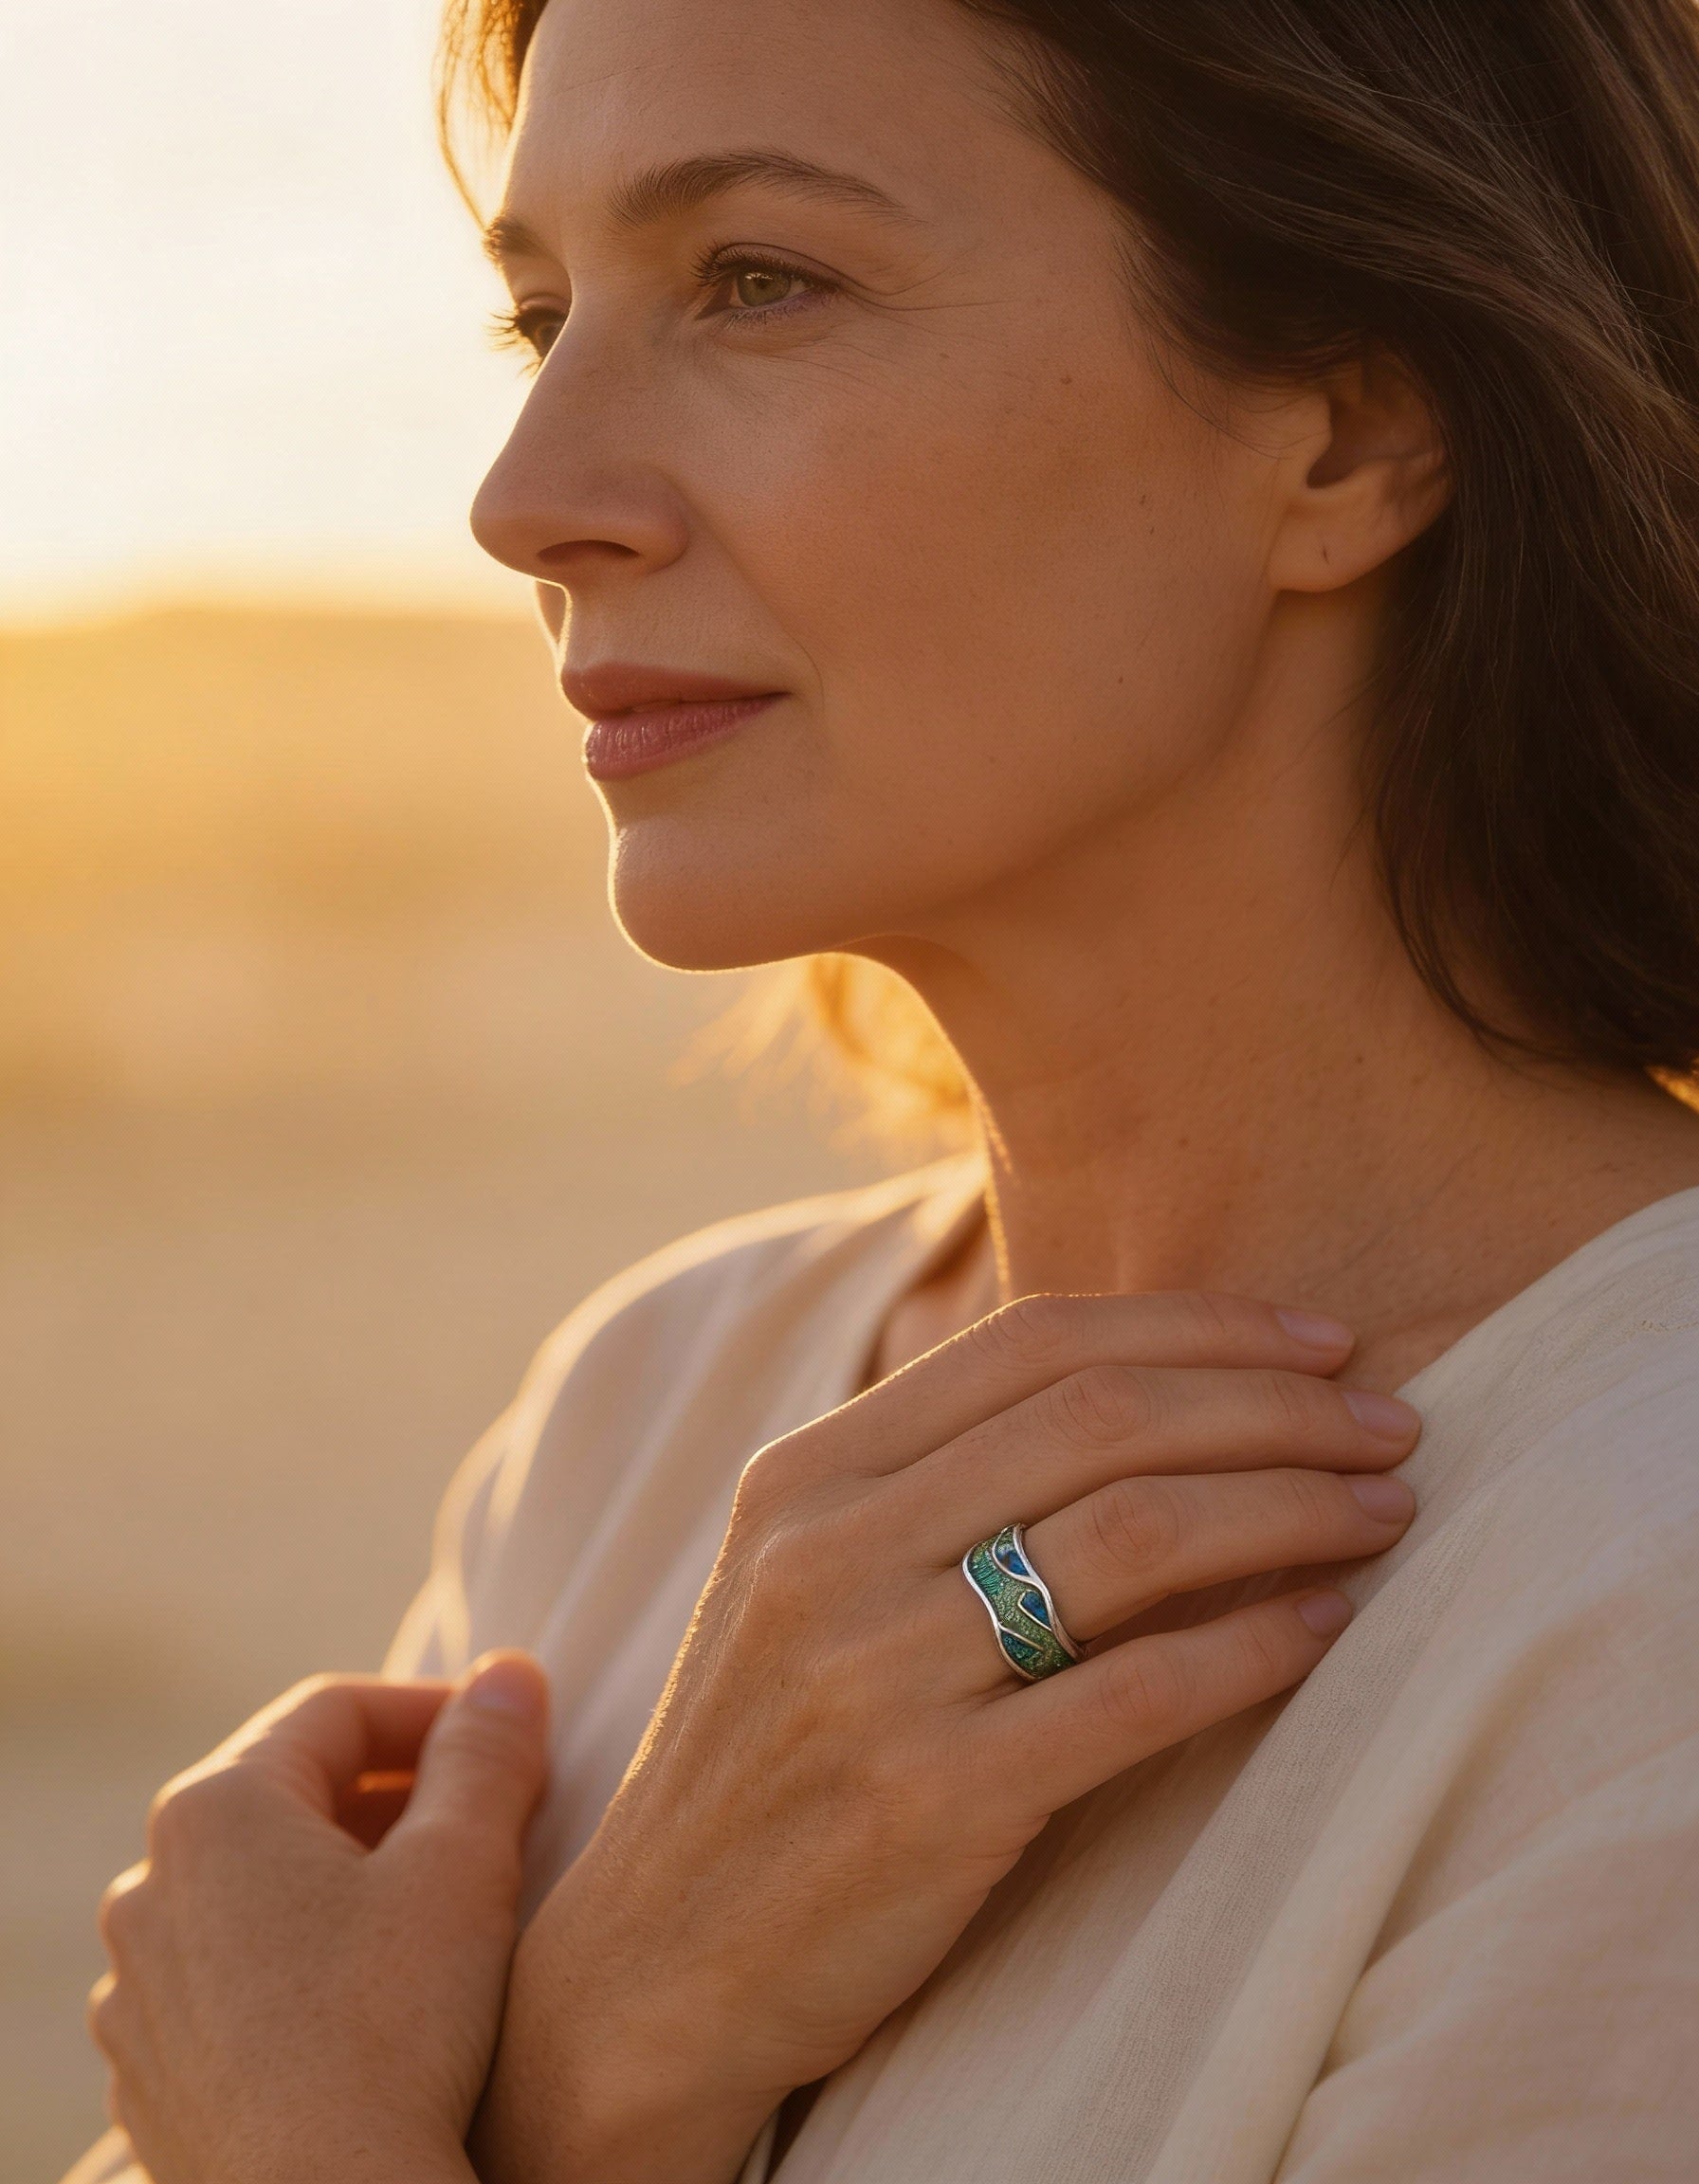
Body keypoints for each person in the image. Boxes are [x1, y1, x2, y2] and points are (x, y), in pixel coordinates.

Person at [71, 0, 1699, 2178]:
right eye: (540, 318)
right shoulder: (652, 1405)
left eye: (758, 280)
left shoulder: (1644, 1608)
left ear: (1343, 434)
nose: (523, 502)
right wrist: (607, 2047)